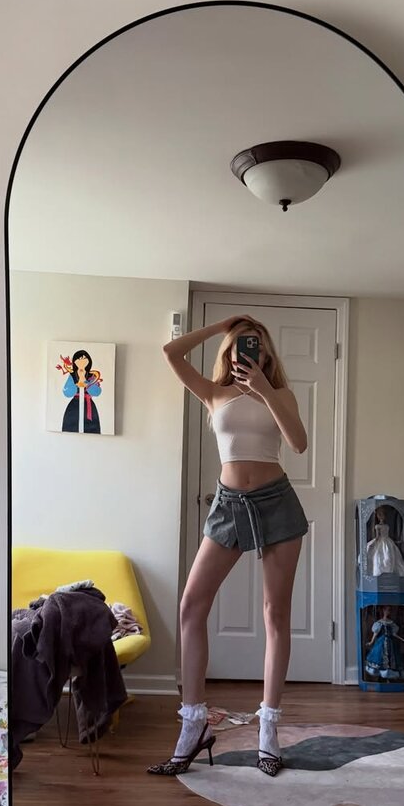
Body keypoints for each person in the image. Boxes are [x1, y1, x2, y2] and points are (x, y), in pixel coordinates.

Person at [147, 315, 308, 778]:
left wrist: (265, 391)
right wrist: (222, 326)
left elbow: (298, 444)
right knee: (191, 606)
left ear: (267, 352)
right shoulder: (213, 393)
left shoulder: (281, 394)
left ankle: (268, 730)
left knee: (275, 614)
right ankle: (193, 724)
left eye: (256, 343)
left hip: (277, 504)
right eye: (241, 344)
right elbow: (170, 353)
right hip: (228, 504)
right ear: (230, 351)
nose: (249, 350)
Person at [61, 350, 102, 433]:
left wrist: (86, 382)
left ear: (88, 361)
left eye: (84, 358)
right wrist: (77, 382)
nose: (82, 360)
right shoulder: (72, 375)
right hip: (75, 404)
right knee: (72, 427)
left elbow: (97, 392)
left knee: (91, 428)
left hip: (88, 405)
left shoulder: (92, 375)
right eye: (79, 359)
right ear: (74, 361)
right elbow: (67, 392)